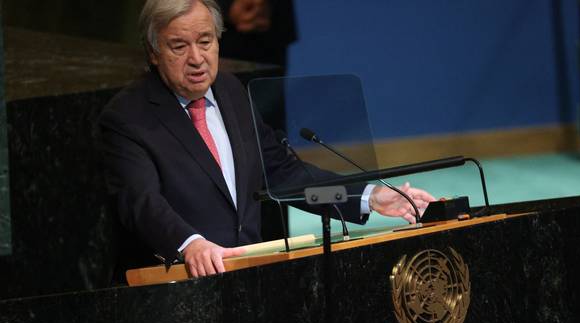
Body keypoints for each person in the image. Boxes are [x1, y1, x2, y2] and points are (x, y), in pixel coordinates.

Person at [99, 0, 435, 279]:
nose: (197, 58)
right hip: (176, 285)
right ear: (153, 52)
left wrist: (367, 197)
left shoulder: (230, 91)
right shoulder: (128, 117)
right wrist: (190, 244)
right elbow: (141, 203)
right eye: (179, 46)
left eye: (205, 41)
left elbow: (284, 175)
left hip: (249, 276)